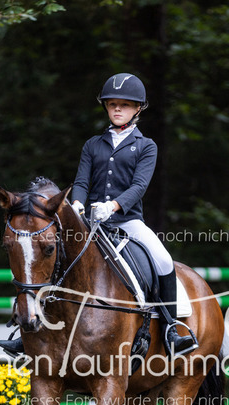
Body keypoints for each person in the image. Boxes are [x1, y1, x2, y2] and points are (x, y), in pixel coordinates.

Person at [71, 72, 197, 358]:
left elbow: (139, 186)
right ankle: (31, 329)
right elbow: (81, 182)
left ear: (137, 108)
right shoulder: (92, 144)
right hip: (90, 223)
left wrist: (113, 206)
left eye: (125, 104)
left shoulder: (146, 146)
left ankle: (171, 328)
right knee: (54, 255)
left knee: (163, 260)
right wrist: (77, 204)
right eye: (112, 104)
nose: (117, 109)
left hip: (127, 222)